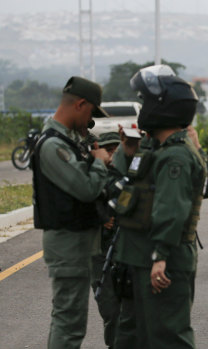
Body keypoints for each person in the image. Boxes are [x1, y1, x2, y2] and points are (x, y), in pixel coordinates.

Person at [112, 64, 208, 348]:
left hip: (162, 259)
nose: (143, 108)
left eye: (147, 102)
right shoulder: (154, 149)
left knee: (168, 338)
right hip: (138, 257)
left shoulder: (176, 156)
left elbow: (171, 209)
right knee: (132, 336)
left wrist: (159, 256)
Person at [32, 76, 111, 349]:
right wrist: (99, 163)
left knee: (68, 320)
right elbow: (87, 188)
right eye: (90, 112)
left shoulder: (67, 141)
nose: (90, 120)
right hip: (68, 246)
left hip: (76, 244)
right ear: (80, 104)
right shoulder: (54, 146)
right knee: (69, 324)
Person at [89, 131, 123, 348]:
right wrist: (99, 218)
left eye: (115, 151)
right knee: (111, 311)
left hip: (128, 253)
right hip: (100, 253)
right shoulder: (89, 177)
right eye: (107, 151)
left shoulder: (130, 177)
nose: (111, 156)